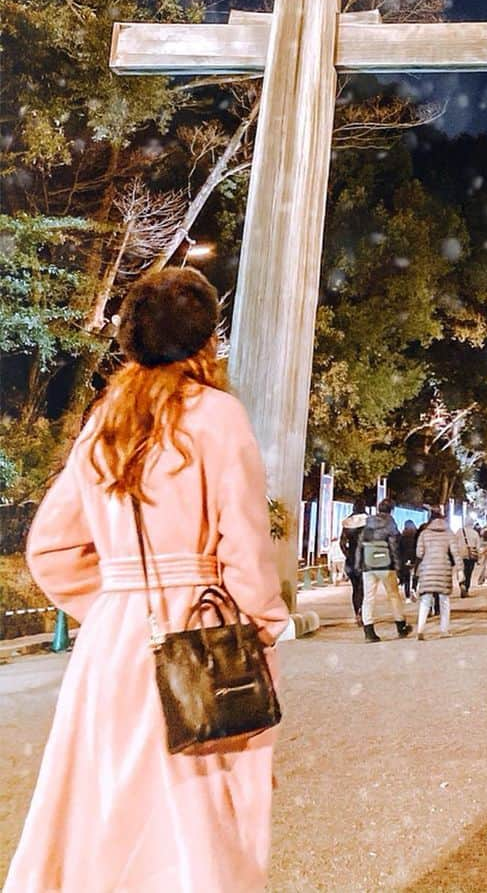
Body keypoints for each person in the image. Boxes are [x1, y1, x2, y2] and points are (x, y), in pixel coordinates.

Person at [4, 267, 290, 893]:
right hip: (197, 636)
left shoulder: (105, 420)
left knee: (105, 814)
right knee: (198, 814)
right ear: (206, 339)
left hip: (112, 645)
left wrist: (116, 605)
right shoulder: (216, 415)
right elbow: (241, 539)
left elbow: (50, 548)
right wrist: (263, 624)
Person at [358, 499, 411, 643]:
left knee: (368, 598)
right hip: (386, 565)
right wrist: (399, 567)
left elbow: (360, 545)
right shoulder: (390, 523)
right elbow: (394, 546)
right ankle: (401, 626)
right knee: (393, 595)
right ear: (391, 510)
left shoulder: (367, 523)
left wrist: (359, 565)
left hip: (368, 564)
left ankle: (369, 632)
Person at [415, 505, 462, 640]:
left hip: (427, 568)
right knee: (444, 600)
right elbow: (456, 553)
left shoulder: (425, 533)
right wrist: (460, 569)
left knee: (425, 601)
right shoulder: (449, 533)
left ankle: (420, 629)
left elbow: (419, 553)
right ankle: (444, 630)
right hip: (443, 568)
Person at [339, 500, 368, 624]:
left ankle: (357, 613)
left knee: (355, 588)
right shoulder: (367, 521)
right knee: (363, 588)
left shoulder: (347, 523)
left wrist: (348, 554)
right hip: (364, 560)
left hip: (350, 561)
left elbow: (342, 543)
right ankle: (363, 612)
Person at [459, 520, 481, 596]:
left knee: (461, 570)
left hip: (460, 555)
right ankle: (466, 586)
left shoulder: (458, 532)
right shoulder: (475, 533)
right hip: (471, 555)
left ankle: (461, 583)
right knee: (469, 572)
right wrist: (478, 558)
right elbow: (478, 547)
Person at [399, 518, 419, 600]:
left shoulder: (403, 535)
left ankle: (407, 596)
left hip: (405, 558)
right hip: (416, 557)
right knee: (416, 574)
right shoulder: (417, 535)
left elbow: (399, 548)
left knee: (407, 577)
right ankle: (413, 588)